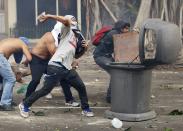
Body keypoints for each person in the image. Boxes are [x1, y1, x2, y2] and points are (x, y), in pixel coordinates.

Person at [19, 14, 94, 118]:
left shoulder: (75, 40)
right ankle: (25, 104)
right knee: (45, 90)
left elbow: (76, 55)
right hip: (56, 66)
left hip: (66, 68)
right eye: (72, 20)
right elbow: (65, 21)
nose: (74, 22)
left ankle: (85, 109)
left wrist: (85, 49)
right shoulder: (67, 31)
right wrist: (49, 16)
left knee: (81, 86)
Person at [93, 20, 130, 103]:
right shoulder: (114, 34)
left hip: (107, 56)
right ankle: (110, 97)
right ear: (121, 28)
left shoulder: (116, 33)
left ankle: (118, 93)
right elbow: (123, 46)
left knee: (120, 71)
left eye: (128, 29)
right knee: (116, 72)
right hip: (100, 57)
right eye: (126, 29)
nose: (127, 31)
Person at [0, 37, 32, 111]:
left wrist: (15, 72)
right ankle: (5, 103)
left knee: (6, 78)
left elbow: (13, 60)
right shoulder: (22, 44)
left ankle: (6, 101)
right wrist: (27, 63)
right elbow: (29, 58)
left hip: (1, 56)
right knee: (11, 79)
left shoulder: (12, 41)